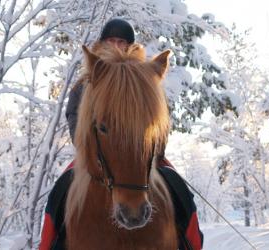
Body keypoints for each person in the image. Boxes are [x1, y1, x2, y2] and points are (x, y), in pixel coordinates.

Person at [39, 18, 203, 250]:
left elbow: (158, 123)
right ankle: (47, 244)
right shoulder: (89, 80)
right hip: (98, 155)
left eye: (122, 42)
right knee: (59, 193)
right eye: (111, 41)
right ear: (102, 43)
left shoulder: (143, 80)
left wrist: (154, 148)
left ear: (130, 46)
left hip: (143, 155)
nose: (116, 46)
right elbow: (73, 116)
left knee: (179, 190)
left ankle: (191, 242)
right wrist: (86, 146)